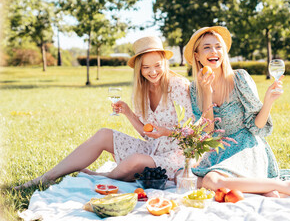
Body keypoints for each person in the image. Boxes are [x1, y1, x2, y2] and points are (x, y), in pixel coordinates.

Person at [15, 36, 193, 189]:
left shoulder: (177, 85)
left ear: (165, 62)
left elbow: (193, 133)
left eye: (157, 65)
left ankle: (100, 177)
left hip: (177, 156)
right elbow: (147, 135)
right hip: (154, 150)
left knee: (136, 161)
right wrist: (128, 112)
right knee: (103, 134)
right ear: (139, 68)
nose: (152, 72)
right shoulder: (141, 91)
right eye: (146, 67)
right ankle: (48, 177)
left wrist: (166, 132)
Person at [183, 26, 290, 200]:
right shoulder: (194, 89)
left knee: (210, 181)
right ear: (197, 55)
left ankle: (284, 186)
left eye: (218, 46)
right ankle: (263, 188)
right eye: (207, 47)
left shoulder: (239, 78)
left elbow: (257, 126)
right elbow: (209, 131)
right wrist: (206, 92)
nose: (214, 51)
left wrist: (268, 101)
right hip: (220, 150)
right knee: (195, 180)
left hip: (246, 145)